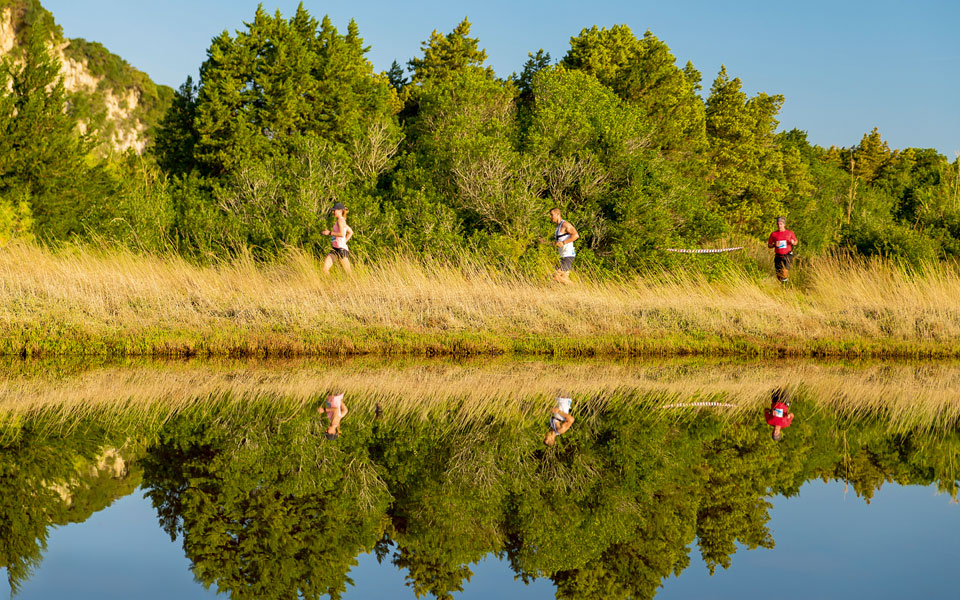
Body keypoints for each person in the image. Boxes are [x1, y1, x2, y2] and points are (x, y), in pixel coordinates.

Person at [547, 208, 579, 284]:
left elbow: (576, 235)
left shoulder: (565, 224)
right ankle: (573, 292)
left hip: (568, 255)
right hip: (562, 255)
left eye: (552, 215)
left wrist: (564, 242)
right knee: (564, 279)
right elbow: (558, 243)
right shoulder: (557, 227)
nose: (550, 217)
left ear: (558, 214)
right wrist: (546, 243)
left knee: (555, 277)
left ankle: (575, 286)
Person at [321, 202, 353, 275]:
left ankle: (355, 285)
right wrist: (344, 241)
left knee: (348, 274)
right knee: (325, 269)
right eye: (333, 210)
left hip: (341, 250)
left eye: (334, 210)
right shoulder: (341, 220)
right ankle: (330, 285)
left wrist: (329, 233)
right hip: (335, 249)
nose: (333, 212)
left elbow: (342, 234)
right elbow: (350, 232)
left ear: (340, 211)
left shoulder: (340, 221)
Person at [767, 216, 798, 286]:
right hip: (778, 255)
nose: (779, 226)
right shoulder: (773, 234)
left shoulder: (789, 233)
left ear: (784, 224)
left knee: (784, 271)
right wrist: (774, 245)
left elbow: (796, 242)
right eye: (778, 224)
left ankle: (785, 288)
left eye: (781, 224)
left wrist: (793, 242)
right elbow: (769, 245)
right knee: (779, 275)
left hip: (787, 254)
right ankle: (784, 283)